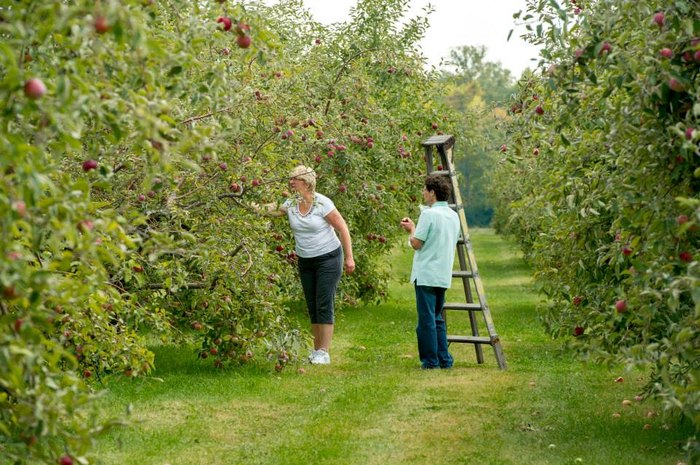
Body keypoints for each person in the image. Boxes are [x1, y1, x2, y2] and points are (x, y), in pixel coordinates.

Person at [265, 165, 355, 365]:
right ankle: (316, 351)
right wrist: (250, 205)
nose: (290, 182)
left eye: (294, 179)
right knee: (312, 304)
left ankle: (324, 351)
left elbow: (342, 228)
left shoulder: (322, 203)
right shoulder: (292, 203)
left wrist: (349, 258)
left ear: (305, 182)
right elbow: (272, 210)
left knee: (323, 302)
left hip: (329, 258)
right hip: (306, 260)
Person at [399, 173, 460, 369]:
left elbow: (417, 243)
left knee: (426, 321)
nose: (423, 193)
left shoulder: (428, 214)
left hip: (426, 273)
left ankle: (430, 361)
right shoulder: (453, 215)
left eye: (425, 190)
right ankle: (445, 359)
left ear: (432, 192)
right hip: (442, 273)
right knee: (437, 318)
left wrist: (411, 229)